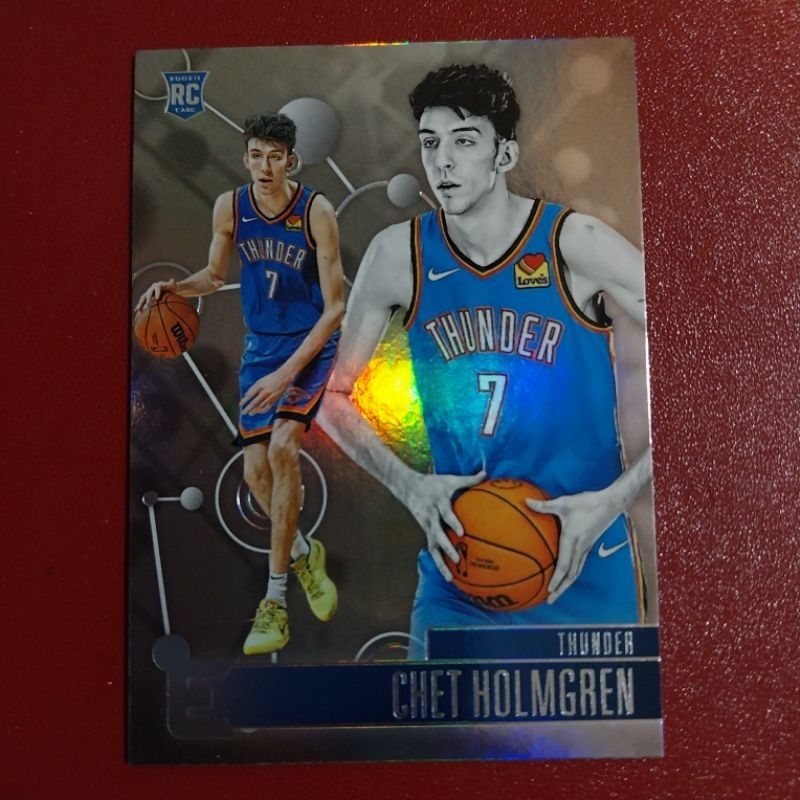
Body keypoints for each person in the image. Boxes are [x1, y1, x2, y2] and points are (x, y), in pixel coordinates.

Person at [318, 64, 652, 660]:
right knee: (437, 720)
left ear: (505, 154)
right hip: (461, 570)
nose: (442, 161)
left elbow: (707, 358)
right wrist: (410, 486)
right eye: (430, 142)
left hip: (585, 567)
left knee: (593, 726)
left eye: (464, 141)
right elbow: (331, 394)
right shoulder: (399, 255)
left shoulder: (572, 243)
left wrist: (613, 500)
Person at [137, 112, 344, 655]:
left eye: (275, 157)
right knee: (254, 476)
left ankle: (275, 603)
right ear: (245, 158)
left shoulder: (316, 212)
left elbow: (335, 309)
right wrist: (175, 288)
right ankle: (304, 555)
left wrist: (286, 373)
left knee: (282, 450)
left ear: (291, 160)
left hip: (308, 347)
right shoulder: (230, 206)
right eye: (255, 156)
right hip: (261, 350)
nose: (264, 167)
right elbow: (215, 276)